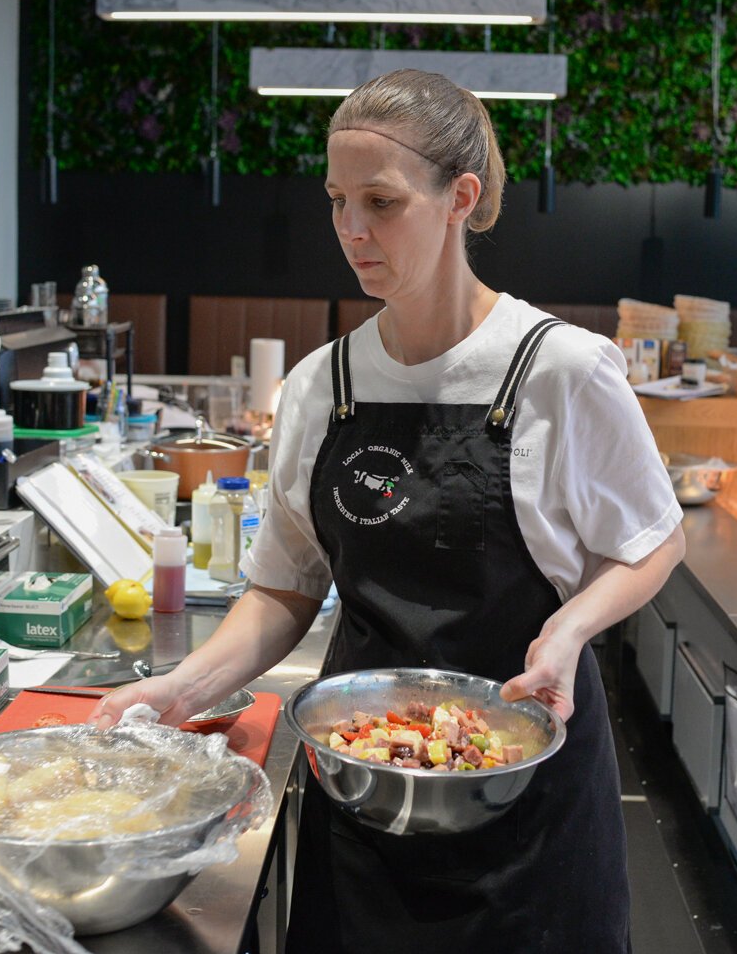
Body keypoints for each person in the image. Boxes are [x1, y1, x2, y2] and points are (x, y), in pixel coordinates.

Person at [91, 69, 685, 952]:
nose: (351, 232)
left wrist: (567, 634)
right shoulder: (320, 387)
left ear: (461, 199)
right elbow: (285, 590)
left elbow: (653, 540)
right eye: (337, 201)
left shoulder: (560, 369)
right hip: (363, 789)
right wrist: (186, 687)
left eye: (381, 202)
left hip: (528, 810)